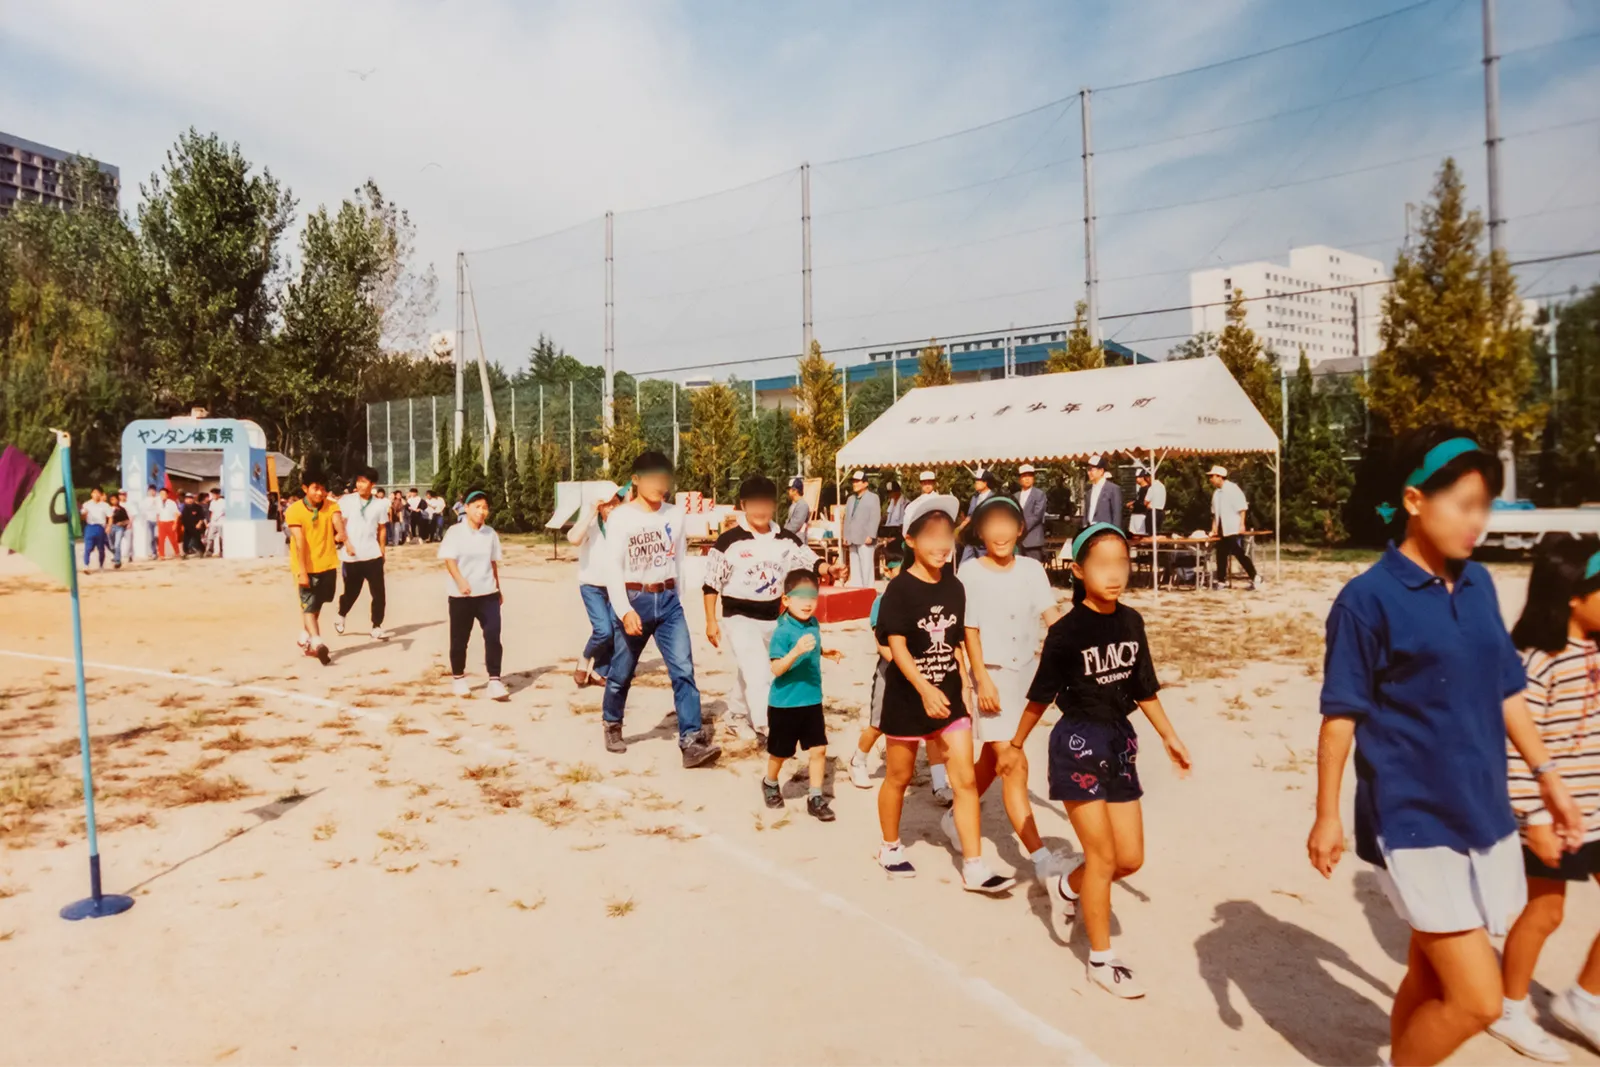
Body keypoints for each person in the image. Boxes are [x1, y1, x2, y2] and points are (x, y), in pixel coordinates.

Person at [1308, 428, 1584, 1066]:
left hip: (1481, 810)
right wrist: (1326, 814)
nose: (1477, 521)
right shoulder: (1366, 601)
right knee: (1478, 1001)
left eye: (1484, 505)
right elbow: (1340, 716)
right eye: (1463, 504)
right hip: (1411, 817)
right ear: (1413, 500)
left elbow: (1507, 690)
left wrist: (1548, 779)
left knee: (1428, 977)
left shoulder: (1481, 583)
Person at [1019, 522, 1192, 998]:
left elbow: (1143, 687)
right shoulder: (1066, 631)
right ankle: (1101, 959)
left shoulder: (1131, 622)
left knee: (1130, 859)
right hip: (1076, 743)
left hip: (1119, 742)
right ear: (1077, 570)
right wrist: (1015, 746)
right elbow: (1040, 694)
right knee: (1102, 856)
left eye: (1122, 562)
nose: (1115, 573)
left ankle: (1066, 888)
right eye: (1102, 564)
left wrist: (1170, 736)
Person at [1490, 535, 1600, 1061]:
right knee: (1546, 913)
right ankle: (1509, 1009)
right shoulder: (1536, 661)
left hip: (1596, 808)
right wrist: (1533, 815)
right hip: (1549, 815)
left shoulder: (1597, 649)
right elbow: (1514, 749)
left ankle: (1584, 998)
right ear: (1574, 595)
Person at [873, 492, 1014, 893]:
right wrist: (923, 687)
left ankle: (974, 865)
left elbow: (956, 642)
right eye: (931, 536)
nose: (941, 545)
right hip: (907, 697)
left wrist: (967, 684)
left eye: (947, 535)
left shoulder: (955, 586)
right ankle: (889, 846)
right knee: (899, 776)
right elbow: (895, 647)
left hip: (950, 698)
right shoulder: (899, 590)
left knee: (964, 781)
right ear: (911, 540)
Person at [955, 495, 1067, 885]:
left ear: (1021, 529)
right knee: (1013, 761)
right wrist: (980, 678)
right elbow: (969, 628)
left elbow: (1051, 616)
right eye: (991, 525)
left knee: (995, 755)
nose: (1000, 533)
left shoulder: (1033, 569)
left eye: (1008, 524)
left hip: (1025, 677)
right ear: (980, 532)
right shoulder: (970, 572)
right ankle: (1041, 858)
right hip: (992, 676)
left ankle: (955, 816)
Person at [601, 451, 722, 768]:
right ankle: (612, 723)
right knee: (621, 673)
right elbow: (612, 567)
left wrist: (676, 597)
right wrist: (625, 610)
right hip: (634, 600)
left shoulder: (675, 515)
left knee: (684, 670)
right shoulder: (621, 517)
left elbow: (679, 558)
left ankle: (692, 741)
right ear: (637, 480)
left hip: (668, 602)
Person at [703, 475, 820, 741]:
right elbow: (711, 585)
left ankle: (734, 714)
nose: (760, 510)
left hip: (771, 616)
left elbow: (810, 561)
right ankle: (771, 727)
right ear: (743, 505)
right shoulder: (729, 542)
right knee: (758, 669)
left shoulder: (786, 539)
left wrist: (828, 567)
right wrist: (711, 620)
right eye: (754, 503)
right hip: (738, 616)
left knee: (750, 669)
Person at [847, 552, 955, 806]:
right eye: (897, 568)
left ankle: (939, 783)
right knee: (879, 723)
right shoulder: (882, 602)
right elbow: (882, 644)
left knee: (933, 728)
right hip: (892, 675)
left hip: (924, 674)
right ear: (887, 570)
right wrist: (906, 667)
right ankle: (858, 761)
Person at [764, 569, 835, 822]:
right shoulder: (782, 632)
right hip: (785, 703)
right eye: (801, 597)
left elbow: (812, 647)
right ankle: (770, 782)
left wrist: (825, 652)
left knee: (818, 750)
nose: (808, 603)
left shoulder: (813, 623)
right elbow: (777, 668)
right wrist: (795, 652)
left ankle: (815, 797)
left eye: (813, 597)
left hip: (812, 700)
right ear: (786, 600)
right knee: (781, 752)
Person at [438, 489, 509, 701]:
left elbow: (492, 562)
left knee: (493, 635)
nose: (481, 511)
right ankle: (459, 678)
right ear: (466, 508)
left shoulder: (490, 534)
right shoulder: (455, 532)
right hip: (462, 597)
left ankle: (495, 681)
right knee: (460, 639)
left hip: (487, 593)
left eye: (485, 507)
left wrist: (498, 587)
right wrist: (460, 581)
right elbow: (449, 560)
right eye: (477, 506)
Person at [569, 483, 624, 688]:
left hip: (616, 584)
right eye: (608, 504)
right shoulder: (591, 523)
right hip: (592, 584)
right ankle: (584, 660)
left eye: (616, 502)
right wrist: (591, 512)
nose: (613, 507)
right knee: (603, 630)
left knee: (616, 629)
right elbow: (573, 539)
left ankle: (600, 671)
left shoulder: (622, 523)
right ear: (599, 505)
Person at [285, 472, 340, 665]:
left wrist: (342, 534)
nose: (320, 492)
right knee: (308, 605)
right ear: (305, 488)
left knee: (316, 605)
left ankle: (304, 637)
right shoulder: (294, 510)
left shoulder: (331, 505)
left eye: (323, 488)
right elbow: (300, 542)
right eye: (316, 488)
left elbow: (337, 523)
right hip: (305, 567)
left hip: (328, 564)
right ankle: (318, 643)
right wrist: (302, 572)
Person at [333, 466, 392, 642]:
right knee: (352, 592)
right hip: (351, 555)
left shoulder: (380, 504)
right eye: (358, 481)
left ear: (372, 484)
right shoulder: (347, 500)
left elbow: (382, 528)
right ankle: (341, 614)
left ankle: (377, 626)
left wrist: (382, 550)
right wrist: (346, 543)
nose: (359, 484)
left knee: (379, 593)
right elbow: (340, 524)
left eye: (363, 481)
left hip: (372, 555)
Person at [1208, 465, 1260, 590]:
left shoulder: (1233, 489)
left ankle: (1255, 577)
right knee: (1221, 554)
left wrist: (1242, 524)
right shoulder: (1216, 494)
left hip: (1233, 527)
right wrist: (1214, 528)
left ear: (1220, 477)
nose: (1210, 479)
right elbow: (1215, 513)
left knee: (1238, 552)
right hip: (1222, 529)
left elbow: (1242, 508)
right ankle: (1221, 580)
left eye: (1212, 476)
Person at [842, 470, 880, 589]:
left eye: (858, 481)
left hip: (865, 538)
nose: (855, 484)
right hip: (852, 538)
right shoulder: (850, 499)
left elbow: (875, 517)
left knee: (866, 566)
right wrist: (845, 535)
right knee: (855, 566)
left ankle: (868, 590)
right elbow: (847, 518)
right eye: (854, 481)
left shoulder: (873, 498)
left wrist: (871, 535)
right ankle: (857, 590)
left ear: (865, 483)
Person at [1016, 464, 1048, 562]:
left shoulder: (1039, 494)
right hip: (1017, 541)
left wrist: (1021, 528)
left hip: (1033, 540)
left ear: (1033, 478)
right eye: (1024, 476)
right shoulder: (1015, 496)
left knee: (1034, 570)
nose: (1027, 479)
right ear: (1019, 479)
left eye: (1030, 476)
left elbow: (1037, 516)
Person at [1080, 455, 1122, 529]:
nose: (1089, 473)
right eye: (1088, 469)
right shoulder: (1088, 491)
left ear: (1101, 471)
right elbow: (1086, 513)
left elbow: (1117, 515)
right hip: (1090, 531)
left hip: (1106, 531)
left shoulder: (1113, 489)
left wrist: (1114, 534)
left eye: (1091, 470)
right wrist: (1085, 526)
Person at [79, 487, 112, 572]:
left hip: (100, 527)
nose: (96, 495)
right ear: (91, 494)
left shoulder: (105, 505)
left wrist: (109, 526)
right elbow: (82, 517)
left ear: (101, 494)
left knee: (101, 548)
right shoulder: (87, 504)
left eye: (98, 493)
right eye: (94, 493)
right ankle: (86, 565)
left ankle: (101, 565)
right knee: (88, 547)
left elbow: (110, 517)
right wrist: (84, 515)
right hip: (90, 526)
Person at [1129, 468, 1166, 537]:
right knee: (1157, 532)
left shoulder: (1152, 488)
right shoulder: (1162, 486)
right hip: (1161, 512)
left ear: (1149, 477)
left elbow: (1145, 502)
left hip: (1152, 512)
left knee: (1150, 533)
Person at [178, 492, 206, 559]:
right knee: (185, 541)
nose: (189, 500)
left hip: (196, 527)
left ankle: (202, 551)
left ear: (193, 499)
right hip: (187, 527)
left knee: (197, 540)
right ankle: (185, 553)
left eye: (190, 498)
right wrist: (182, 526)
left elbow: (202, 517)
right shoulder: (184, 508)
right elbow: (182, 518)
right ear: (185, 499)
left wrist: (199, 524)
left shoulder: (198, 507)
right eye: (187, 499)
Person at [156, 487, 181, 560]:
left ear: (167, 495)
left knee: (173, 539)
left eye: (164, 494)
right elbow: (157, 514)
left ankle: (177, 553)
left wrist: (175, 523)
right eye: (161, 494)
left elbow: (176, 513)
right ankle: (161, 555)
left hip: (170, 522)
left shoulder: (172, 503)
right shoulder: (158, 502)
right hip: (161, 523)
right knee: (161, 540)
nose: (162, 495)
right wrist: (158, 523)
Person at [109, 491, 132, 569]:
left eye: (115, 499)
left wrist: (121, 523)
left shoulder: (122, 509)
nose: (113, 501)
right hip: (110, 527)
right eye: (111, 500)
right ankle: (116, 555)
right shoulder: (108, 509)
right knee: (111, 545)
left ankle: (118, 561)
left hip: (119, 528)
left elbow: (127, 520)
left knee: (117, 544)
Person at [881, 479, 906, 549]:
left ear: (898, 491)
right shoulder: (890, 503)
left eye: (891, 492)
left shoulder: (906, 503)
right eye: (889, 493)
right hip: (888, 533)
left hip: (899, 534)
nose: (890, 495)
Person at [142, 485, 161, 560]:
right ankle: (154, 552)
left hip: (157, 520)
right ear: (148, 491)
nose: (152, 492)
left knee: (157, 536)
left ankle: (159, 550)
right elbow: (143, 510)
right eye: (150, 490)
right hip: (149, 520)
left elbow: (159, 509)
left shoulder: (158, 499)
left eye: (153, 490)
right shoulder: (145, 500)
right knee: (151, 537)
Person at [206, 489, 227, 557]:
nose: (213, 496)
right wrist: (210, 521)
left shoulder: (223, 502)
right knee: (210, 537)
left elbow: (224, 512)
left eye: (214, 494)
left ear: (218, 494)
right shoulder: (212, 502)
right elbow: (212, 512)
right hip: (214, 522)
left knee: (221, 537)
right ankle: (209, 551)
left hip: (221, 521)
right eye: (212, 494)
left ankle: (222, 552)